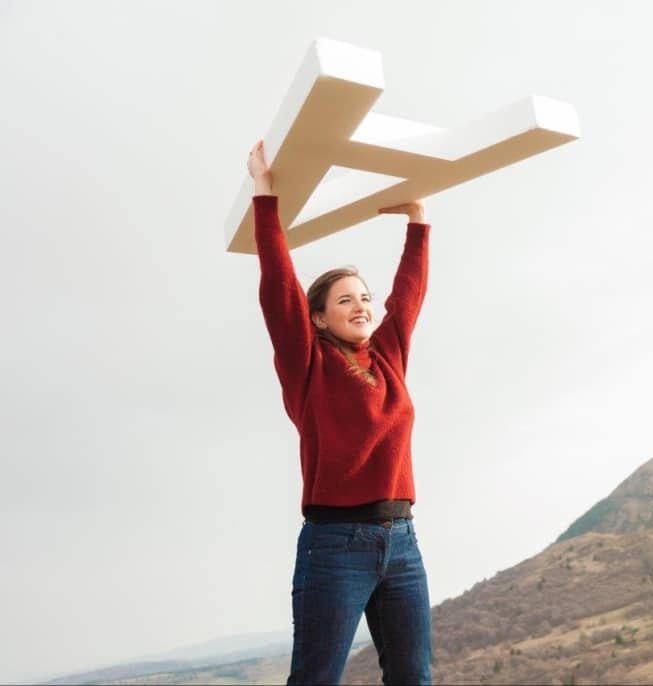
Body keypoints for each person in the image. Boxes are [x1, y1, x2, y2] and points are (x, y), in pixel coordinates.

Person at [247, 140, 433, 685]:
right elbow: (278, 288)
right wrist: (266, 194)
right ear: (320, 319)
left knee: (413, 677)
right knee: (316, 679)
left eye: (365, 298)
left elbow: (410, 294)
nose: (362, 306)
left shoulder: (389, 355)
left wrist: (418, 220)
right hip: (335, 547)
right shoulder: (306, 364)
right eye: (346, 300)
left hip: (401, 542)